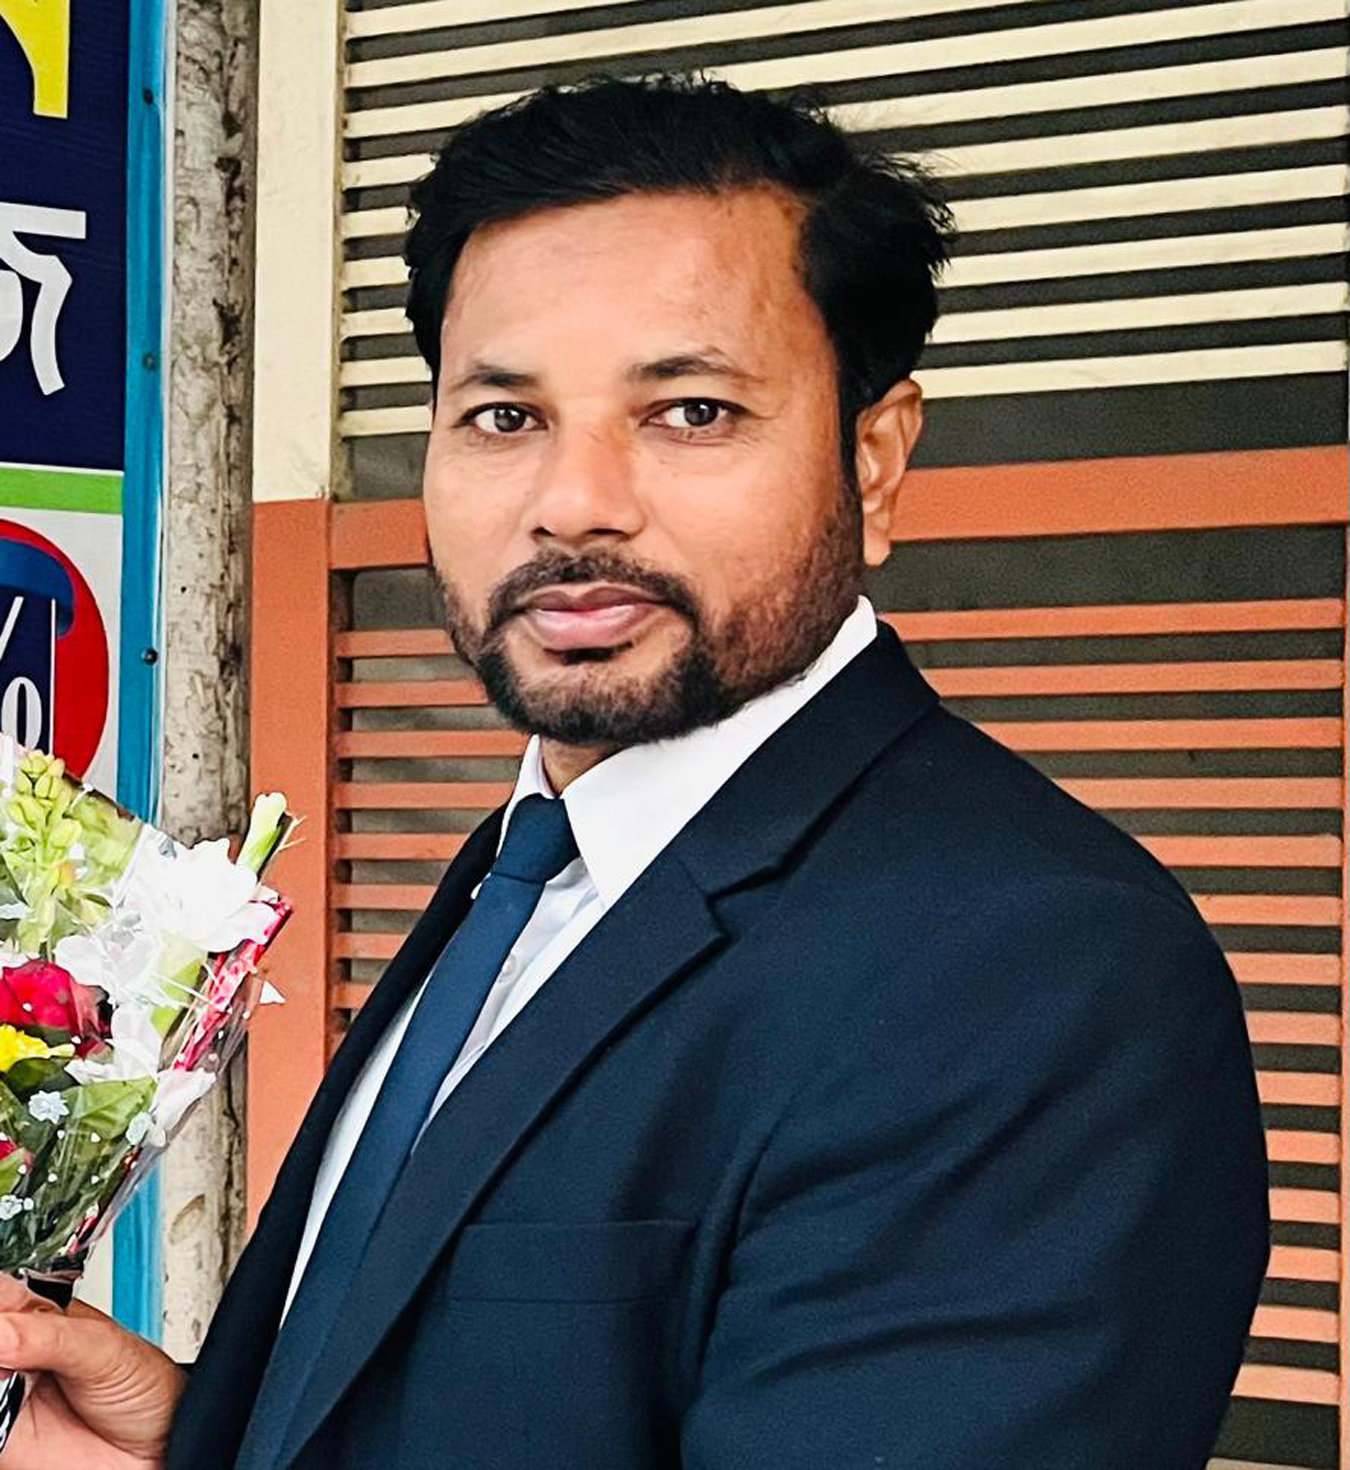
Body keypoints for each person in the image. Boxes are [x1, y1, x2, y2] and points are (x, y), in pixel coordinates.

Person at [0, 75, 1268, 1470]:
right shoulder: (537, 864)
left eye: (692, 411)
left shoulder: (1034, 975)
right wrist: (189, 1449)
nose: (573, 501)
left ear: (874, 461)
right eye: (503, 417)